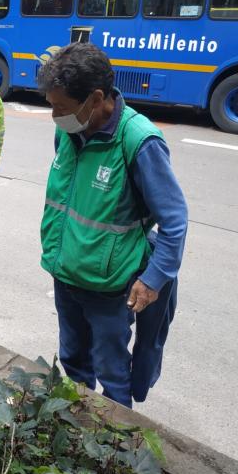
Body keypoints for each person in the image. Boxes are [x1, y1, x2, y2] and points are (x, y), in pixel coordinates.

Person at [38, 42, 188, 409]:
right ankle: (76, 430)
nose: (55, 115)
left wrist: (152, 280)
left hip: (109, 287)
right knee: (73, 361)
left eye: (61, 107)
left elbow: (175, 221)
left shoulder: (138, 141)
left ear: (96, 98)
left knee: (113, 373)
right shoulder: (70, 131)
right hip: (66, 274)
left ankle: (114, 451)